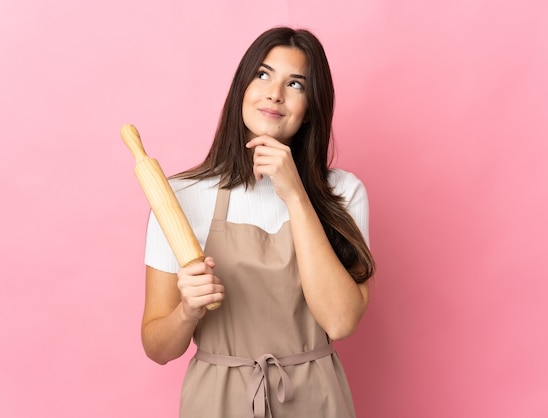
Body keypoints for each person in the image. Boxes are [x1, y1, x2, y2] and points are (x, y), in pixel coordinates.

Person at [141, 26, 375, 418]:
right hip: (215, 402)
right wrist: (188, 310)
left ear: (311, 108)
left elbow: (339, 321)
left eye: (295, 83)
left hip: (315, 401)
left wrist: (296, 194)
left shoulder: (344, 194)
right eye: (262, 75)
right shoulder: (181, 197)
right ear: (241, 89)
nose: (274, 93)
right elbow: (157, 348)